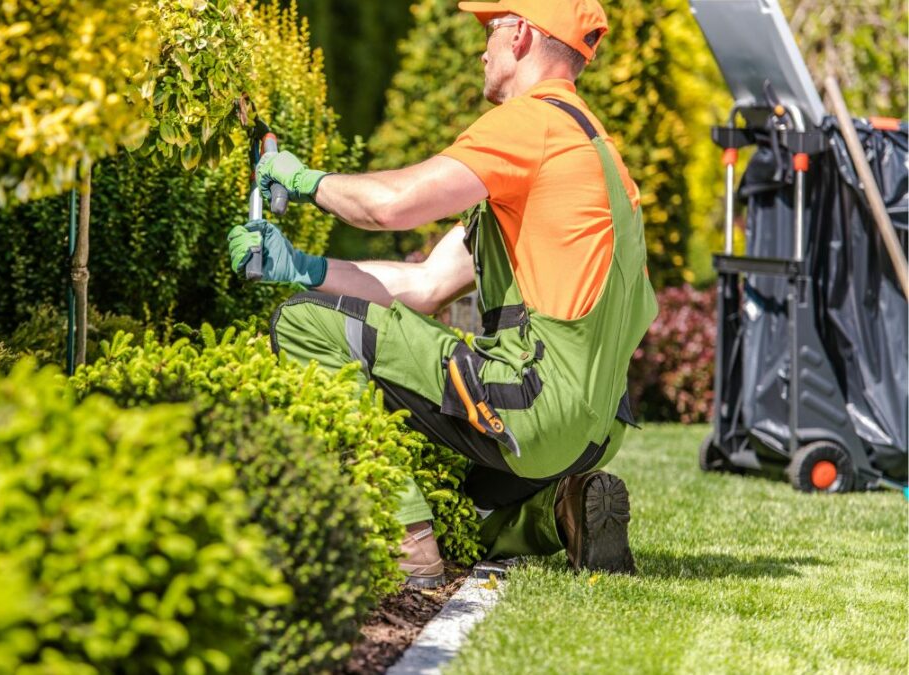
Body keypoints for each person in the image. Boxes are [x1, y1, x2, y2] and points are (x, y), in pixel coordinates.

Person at [227, 0, 657, 587]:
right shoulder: (593, 151)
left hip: (533, 407)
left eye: (492, 28)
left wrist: (306, 182)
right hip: (593, 431)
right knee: (457, 504)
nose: (482, 47)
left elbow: (391, 206)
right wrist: (301, 266)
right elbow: (425, 285)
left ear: (525, 36)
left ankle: (403, 544)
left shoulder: (532, 123)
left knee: (302, 324)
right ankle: (559, 515)